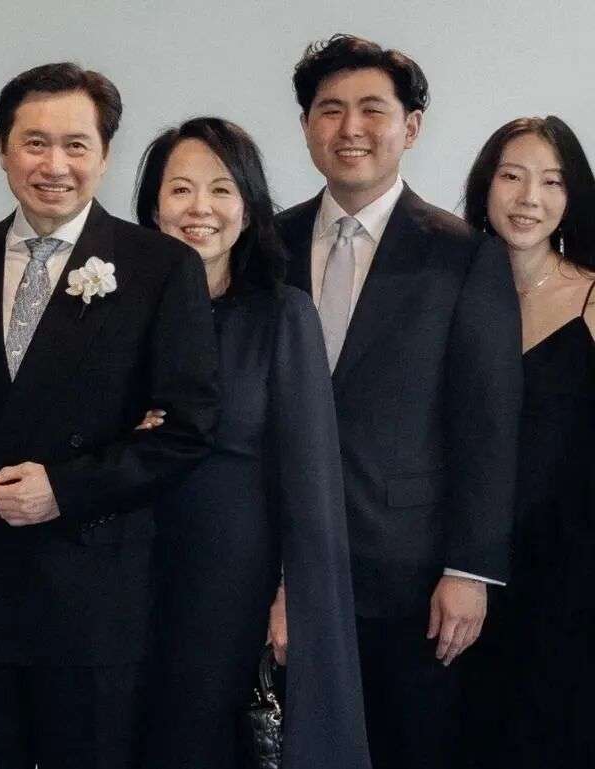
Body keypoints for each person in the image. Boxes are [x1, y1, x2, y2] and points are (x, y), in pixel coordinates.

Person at [0, 63, 219, 769]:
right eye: (35, 143)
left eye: (76, 145)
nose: (54, 165)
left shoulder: (160, 268)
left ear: (105, 155)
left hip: (93, 595)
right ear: (2, 149)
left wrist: (66, 487)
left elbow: (188, 429)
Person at [274, 34, 522, 769]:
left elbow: (488, 423)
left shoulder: (465, 254)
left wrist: (470, 569)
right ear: (306, 126)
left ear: (410, 127)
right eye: (330, 110)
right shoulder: (266, 243)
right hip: (278, 558)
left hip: (409, 572)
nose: (350, 128)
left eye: (372, 109)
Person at [133, 117, 370, 769]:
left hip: (232, 581)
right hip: (126, 573)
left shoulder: (281, 313)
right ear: (153, 207)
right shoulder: (119, 312)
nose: (200, 208)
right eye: (180, 189)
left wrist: (293, 593)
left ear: (247, 208)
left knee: (203, 742)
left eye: (220, 189)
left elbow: (310, 474)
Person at [460, 116, 595, 769]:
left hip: (572, 568)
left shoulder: (591, 295)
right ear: (486, 184)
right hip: (464, 560)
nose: (529, 198)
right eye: (512, 176)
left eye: (552, 182)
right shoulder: (450, 290)